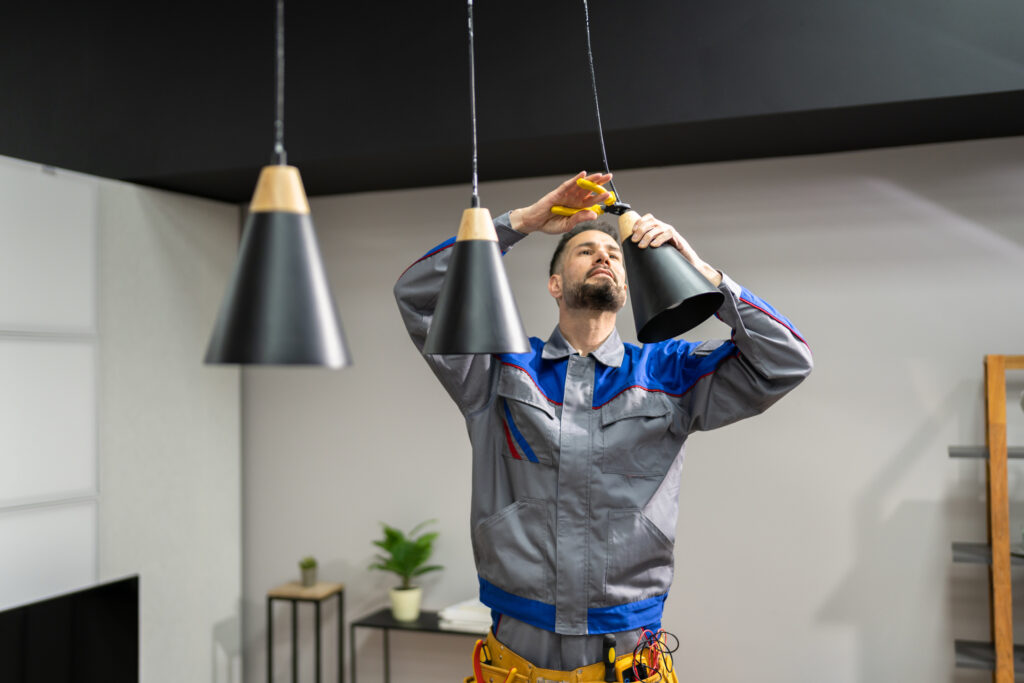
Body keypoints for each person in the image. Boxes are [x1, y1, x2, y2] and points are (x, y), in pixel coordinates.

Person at [394, 171, 812, 680]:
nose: (605, 257)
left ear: (626, 281)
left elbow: (786, 361)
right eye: (585, 250)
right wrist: (519, 222)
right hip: (516, 658)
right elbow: (419, 297)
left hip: (629, 654)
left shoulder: (668, 373)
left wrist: (706, 275)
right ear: (555, 283)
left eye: (614, 254)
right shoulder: (498, 368)